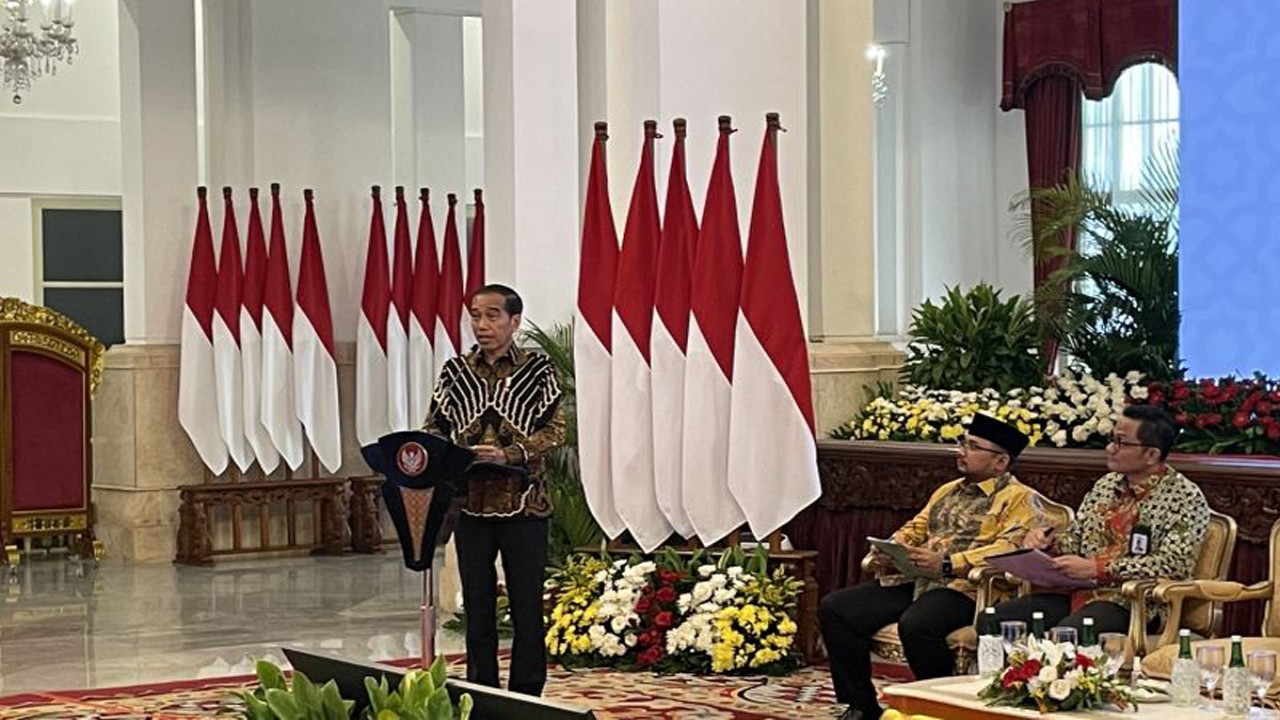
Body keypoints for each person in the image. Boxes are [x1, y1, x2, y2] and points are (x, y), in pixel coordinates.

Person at [819, 414, 1041, 720]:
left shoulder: (1019, 499)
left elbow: (1009, 548)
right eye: (962, 443)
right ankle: (862, 706)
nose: (961, 451)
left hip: (970, 588)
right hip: (920, 579)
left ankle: (935, 708)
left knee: (918, 623)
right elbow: (916, 527)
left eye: (973, 446)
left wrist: (950, 563)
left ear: (1000, 462)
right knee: (837, 608)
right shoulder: (948, 490)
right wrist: (890, 547)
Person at [424, 283, 565, 696]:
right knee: (478, 608)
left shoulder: (538, 371)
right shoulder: (455, 372)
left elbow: (556, 429)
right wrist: (454, 453)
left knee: (525, 605)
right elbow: (433, 426)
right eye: (474, 315)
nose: (481, 325)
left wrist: (513, 453)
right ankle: (481, 689)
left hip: (525, 505)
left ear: (514, 321)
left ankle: (527, 694)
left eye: (492, 315)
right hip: (470, 506)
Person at [991, 404, 1210, 636]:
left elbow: (1174, 565)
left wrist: (1100, 569)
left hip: (1135, 603)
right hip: (1078, 592)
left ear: (1151, 454)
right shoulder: (1106, 485)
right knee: (995, 619)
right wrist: (1047, 541)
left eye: (1121, 442)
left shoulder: (1184, 497)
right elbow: (1075, 539)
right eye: (1111, 439)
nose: (1109, 448)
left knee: (1069, 633)